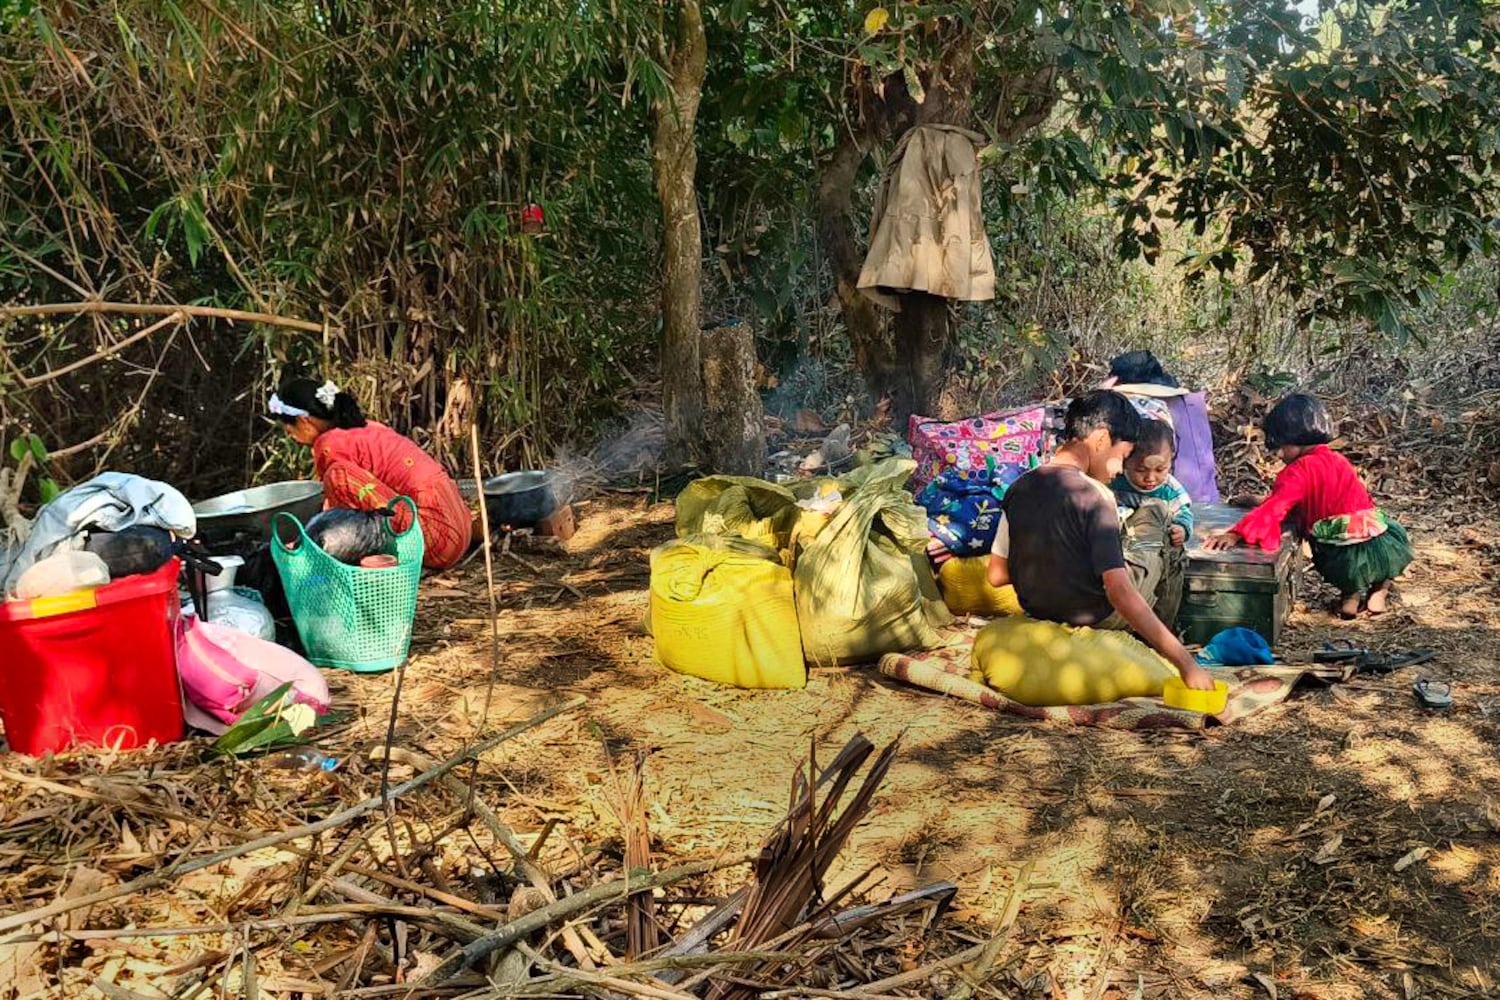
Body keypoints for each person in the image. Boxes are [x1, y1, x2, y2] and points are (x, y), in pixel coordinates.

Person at [987, 391, 1215, 691]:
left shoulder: (1018, 487)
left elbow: (997, 575)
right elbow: (1118, 591)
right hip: (1099, 615)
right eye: (1122, 456)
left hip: (1039, 610)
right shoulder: (1094, 495)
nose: (1120, 469)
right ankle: (1164, 636)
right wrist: (1187, 665)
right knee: (1158, 512)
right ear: (1101, 440)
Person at [1204, 393, 1413, 618]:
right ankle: (1378, 591)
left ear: (1297, 440)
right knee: (1381, 564)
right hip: (1380, 541)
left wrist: (1236, 533)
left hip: (1341, 554)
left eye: (1282, 447)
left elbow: (1277, 508)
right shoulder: (1338, 460)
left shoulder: (1297, 471)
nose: (1279, 454)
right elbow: (1340, 500)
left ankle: (1350, 597)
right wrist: (1256, 500)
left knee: (1346, 565)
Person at [270, 377, 471, 571]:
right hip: (458, 529)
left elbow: (339, 511)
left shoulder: (330, 444)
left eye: (289, 429)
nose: (291, 436)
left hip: (437, 541)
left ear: (304, 421)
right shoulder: (367, 428)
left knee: (338, 477)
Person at [1112, 419, 1194, 548]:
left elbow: (1184, 514)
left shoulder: (1170, 489)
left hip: (1153, 547)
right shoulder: (1115, 481)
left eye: (1160, 470)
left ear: (1171, 460)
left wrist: (1181, 529)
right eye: (1141, 470)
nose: (1150, 478)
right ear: (1125, 460)